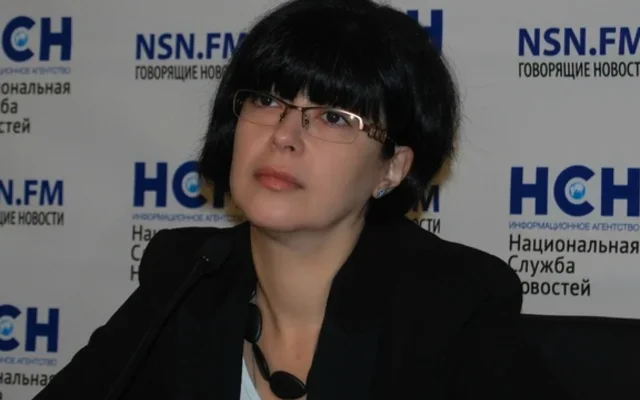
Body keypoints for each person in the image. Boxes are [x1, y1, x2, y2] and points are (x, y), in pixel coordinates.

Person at [33, 0, 569, 399]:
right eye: (267, 101)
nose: (284, 135)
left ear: (392, 168)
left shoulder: (452, 304)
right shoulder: (186, 278)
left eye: (334, 117)